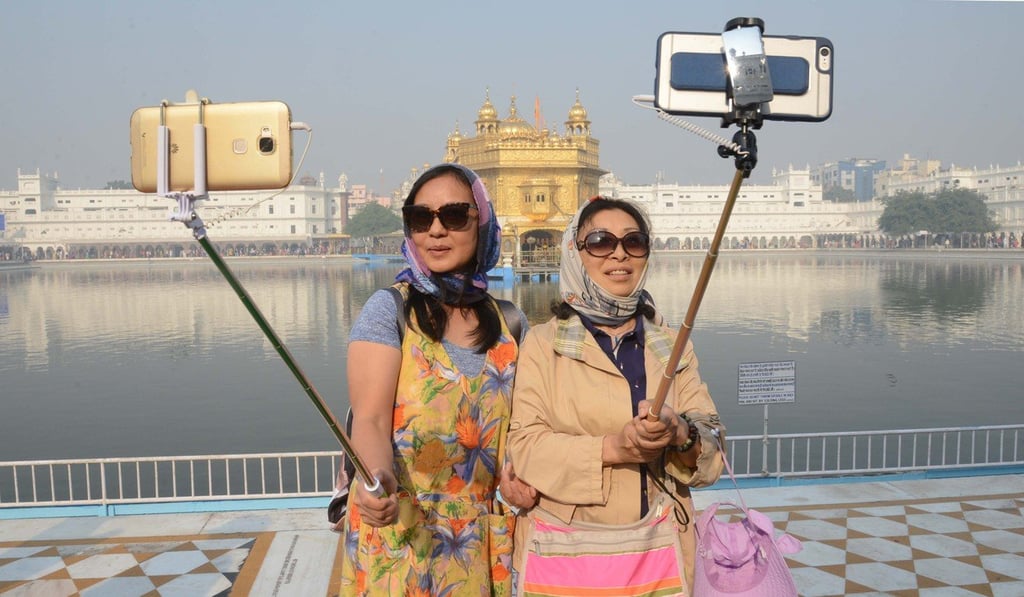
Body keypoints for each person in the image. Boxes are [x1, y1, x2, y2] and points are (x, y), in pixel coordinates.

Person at [507, 196, 726, 595]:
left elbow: (712, 449)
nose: (619, 254)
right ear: (575, 252)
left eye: (634, 241)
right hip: (568, 547)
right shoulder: (543, 343)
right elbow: (526, 448)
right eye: (601, 242)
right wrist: (614, 448)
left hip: (661, 545)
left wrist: (681, 433)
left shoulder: (670, 345)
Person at [339, 163, 536, 596]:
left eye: (454, 216)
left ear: (480, 222)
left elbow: (520, 428)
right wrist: (377, 477)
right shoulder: (390, 310)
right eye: (420, 218)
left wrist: (517, 477)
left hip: (478, 537)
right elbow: (368, 419)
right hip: (399, 529)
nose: (436, 231)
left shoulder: (510, 323)